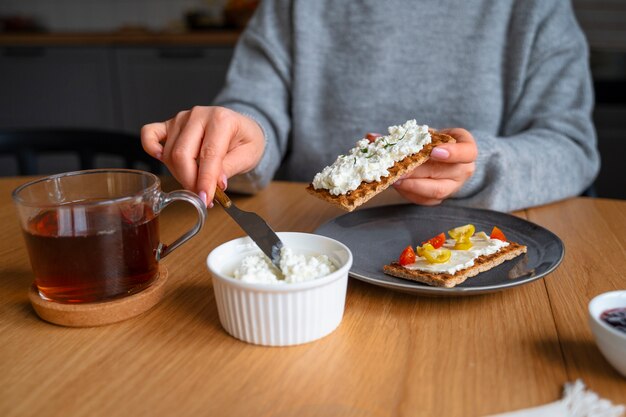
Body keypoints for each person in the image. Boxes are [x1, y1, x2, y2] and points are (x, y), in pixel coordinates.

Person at [141, 0, 600, 212]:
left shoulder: (535, 9)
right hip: (313, 241)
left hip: (478, 250)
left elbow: (570, 146)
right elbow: (253, 109)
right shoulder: (292, 7)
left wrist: (476, 166)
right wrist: (240, 135)